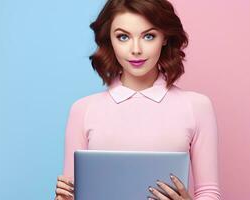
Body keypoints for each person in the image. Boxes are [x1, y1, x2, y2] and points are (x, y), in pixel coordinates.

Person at [54, 0, 221, 200]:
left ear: (165, 37)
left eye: (148, 36)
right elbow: (73, 192)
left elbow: (208, 192)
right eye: (123, 36)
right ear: (109, 39)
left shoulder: (197, 107)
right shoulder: (83, 110)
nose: (136, 49)